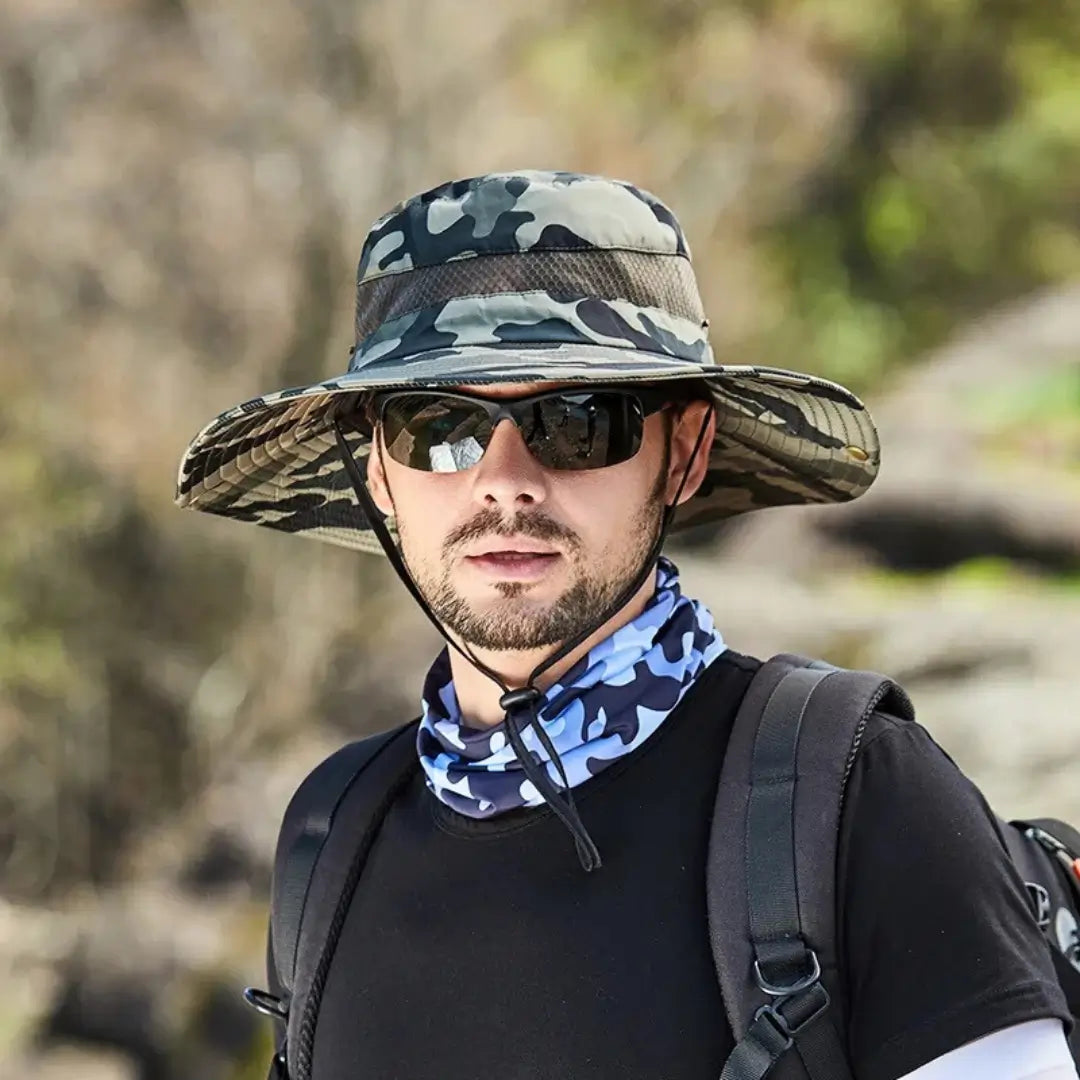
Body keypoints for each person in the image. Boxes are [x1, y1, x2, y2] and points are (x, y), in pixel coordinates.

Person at [176, 171, 1077, 1079]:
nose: (505, 480)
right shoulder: (331, 838)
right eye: (435, 425)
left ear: (683, 451)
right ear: (377, 472)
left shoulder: (857, 796)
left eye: (576, 421)